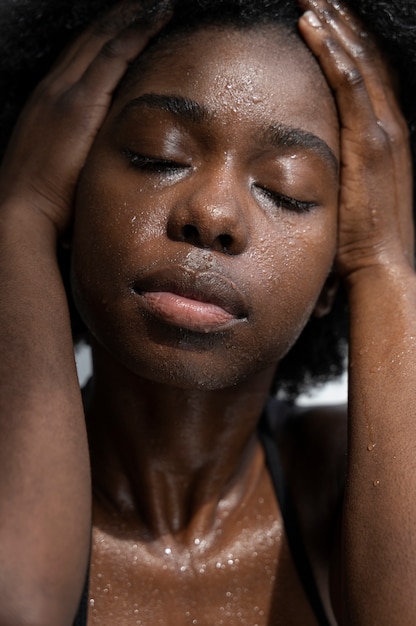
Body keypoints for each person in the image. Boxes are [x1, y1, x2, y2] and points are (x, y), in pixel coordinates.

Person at [1, 0, 416, 624]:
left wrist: (383, 264)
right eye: (157, 156)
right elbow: (21, 603)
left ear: (335, 272)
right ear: (69, 192)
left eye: (285, 190)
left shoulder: (340, 482)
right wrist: (21, 212)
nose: (213, 214)